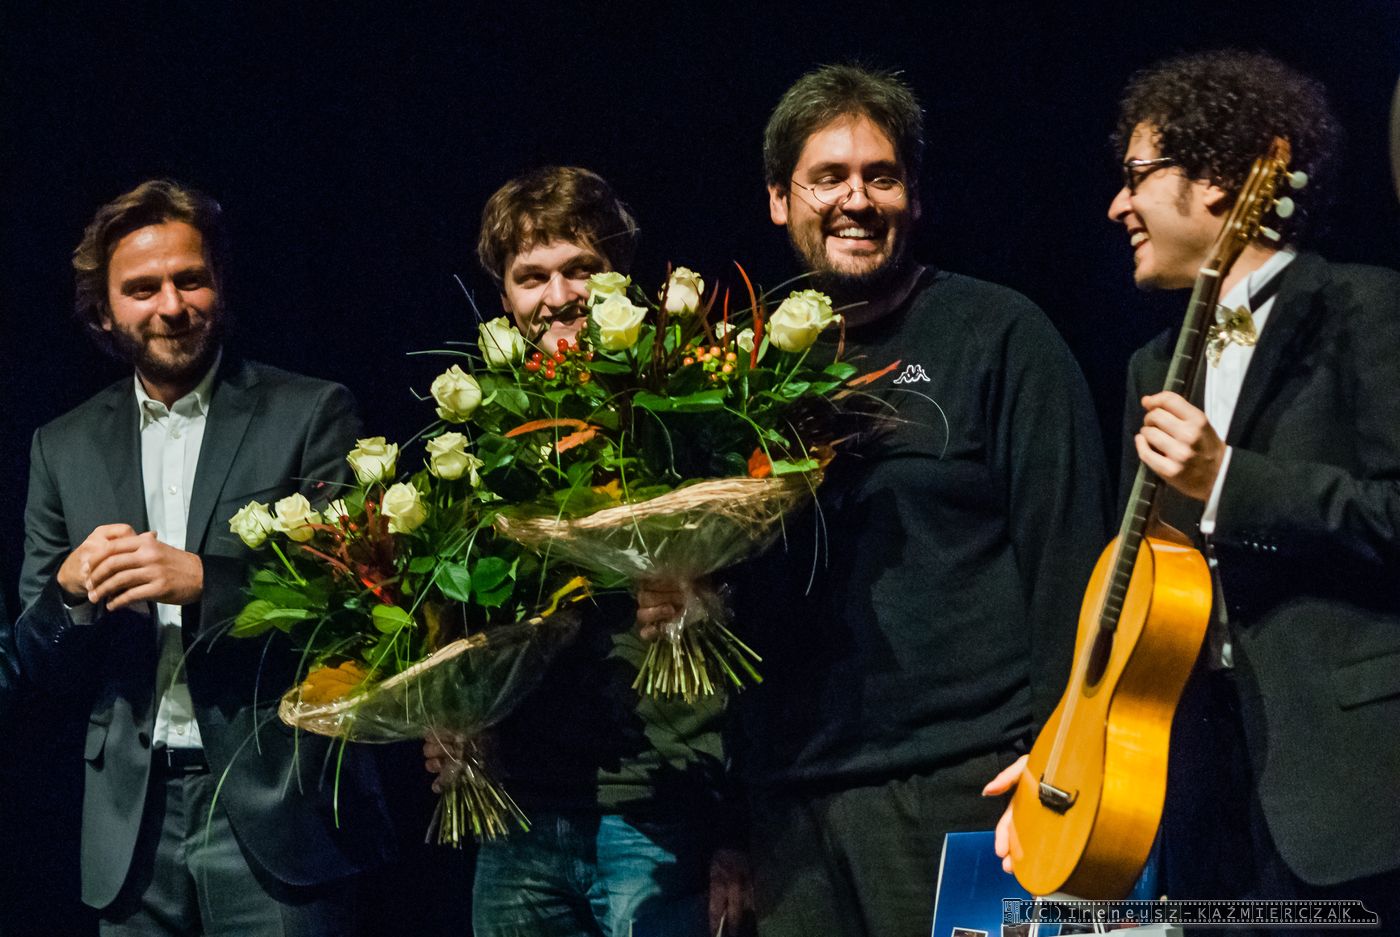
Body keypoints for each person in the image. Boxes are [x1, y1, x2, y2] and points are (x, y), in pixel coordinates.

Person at [637, 64, 1110, 937]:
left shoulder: (1001, 335)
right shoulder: (732, 370)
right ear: (779, 199)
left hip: (972, 790)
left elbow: (1075, 571)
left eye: (881, 176)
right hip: (792, 815)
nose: (856, 199)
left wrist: (1063, 768)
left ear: (914, 198)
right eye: (828, 177)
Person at [990, 50, 1400, 923]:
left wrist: (1230, 478)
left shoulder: (1367, 309)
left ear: (1217, 179)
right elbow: (1140, 595)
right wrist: (1068, 747)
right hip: (1205, 800)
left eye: (1137, 175)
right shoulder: (1153, 365)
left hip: (1354, 789)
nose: (1118, 205)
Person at [14, 179, 395, 935]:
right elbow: (33, 659)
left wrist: (205, 581)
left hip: (277, 806)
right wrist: (68, 595)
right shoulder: (61, 445)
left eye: (190, 279)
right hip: (130, 826)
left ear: (220, 284)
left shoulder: (310, 411)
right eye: (142, 288)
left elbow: (360, 600)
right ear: (103, 311)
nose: (171, 305)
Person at [425, 165, 744, 937]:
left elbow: (772, 624)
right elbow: (454, 614)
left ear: (620, 278)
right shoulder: (478, 439)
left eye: (581, 269)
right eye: (531, 276)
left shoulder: (685, 410)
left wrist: (743, 829)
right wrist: (449, 712)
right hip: (523, 814)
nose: (558, 295)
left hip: (662, 807)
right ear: (504, 297)